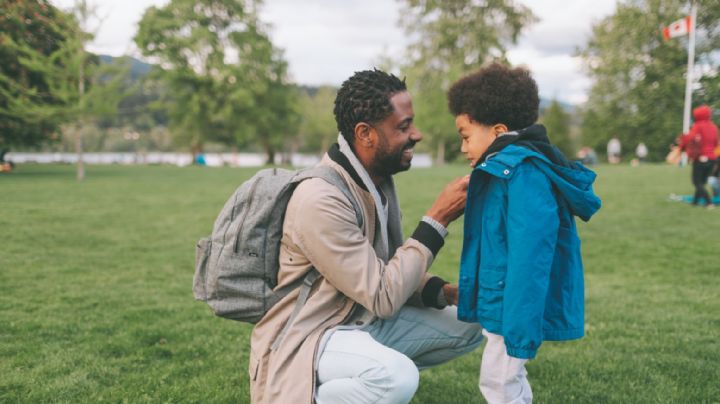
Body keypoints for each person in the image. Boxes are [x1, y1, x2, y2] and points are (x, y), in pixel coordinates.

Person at [249, 69, 484, 403]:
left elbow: (387, 268)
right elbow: (383, 295)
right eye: (403, 126)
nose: (416, 135)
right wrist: (438, 218)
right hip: (311, 335)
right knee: (396, 378)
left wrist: (444, 292)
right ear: (365, 134)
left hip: (360, 319)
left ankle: (355, 383)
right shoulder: (320, 199)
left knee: (471, 321)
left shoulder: (376, 181)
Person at [446, 63, 602, 403]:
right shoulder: (502, 171)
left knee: (499, 382)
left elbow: (530, 257)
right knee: (505, 381)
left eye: (466, 136)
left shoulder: (522, 175)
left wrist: (519, 325)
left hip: (512, 308)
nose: (463, 148)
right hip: (502, 302)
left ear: (499, 130)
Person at [677, 105, 719, 208]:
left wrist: (682, 145)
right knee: (701, 182)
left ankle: (709, 203)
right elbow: (716, 143)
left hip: (700, 158)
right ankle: (695, 202)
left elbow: (689, 139)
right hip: (712, 159)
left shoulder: (697, 125)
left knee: (696, 182)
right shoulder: (714, 127)